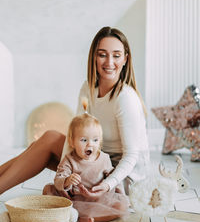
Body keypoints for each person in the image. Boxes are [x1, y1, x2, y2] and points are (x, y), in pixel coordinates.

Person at [0, 26, 149, 198]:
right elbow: (75, 136)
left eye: (116, 55)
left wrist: (108, 184)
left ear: (125, 59)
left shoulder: (125, 98)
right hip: (92, 160)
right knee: (43, 144)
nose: (109, 62)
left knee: (48, 140)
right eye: (102, 54)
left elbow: (131, 156)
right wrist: (64, 175)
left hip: (119, 176)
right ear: (94, 57)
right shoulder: (87, 88)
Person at [43, 98, 129, 222]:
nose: (90, 144)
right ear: (72, 142)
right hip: (75, 200)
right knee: (48, 190)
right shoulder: (70, 159)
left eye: (95, 140)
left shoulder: (104, 159)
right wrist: (67, 181)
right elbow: (58, 179)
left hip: (98, 200)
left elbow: (114, 179)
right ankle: (74, 216)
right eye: (84, 140)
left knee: (122, 205)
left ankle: (85, 218)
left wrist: (119, 194)